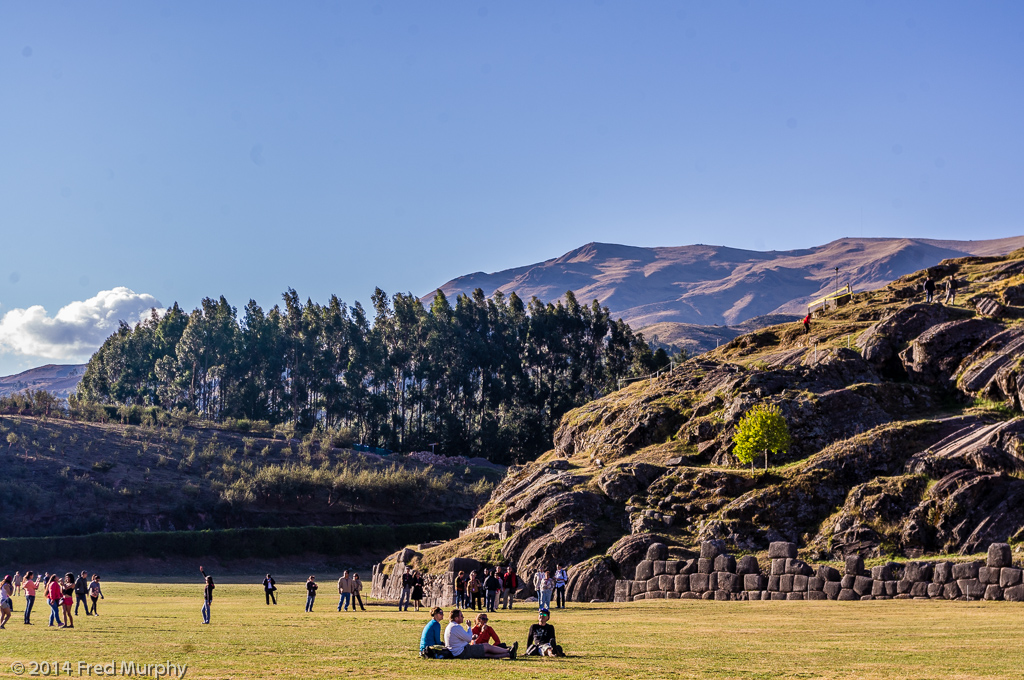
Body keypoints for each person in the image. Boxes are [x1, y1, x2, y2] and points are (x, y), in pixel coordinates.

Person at [444, 609, 515, 660]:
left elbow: (497, 640)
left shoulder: (451, 626)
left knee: (486, 654)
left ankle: (508, 654)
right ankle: (508, 651)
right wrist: (469, 627)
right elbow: (469, 639)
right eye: (461, 616)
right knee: (487, 646)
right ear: (456, 618)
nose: (463, 617)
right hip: (462, 651)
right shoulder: (456, 627)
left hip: (457, 652)